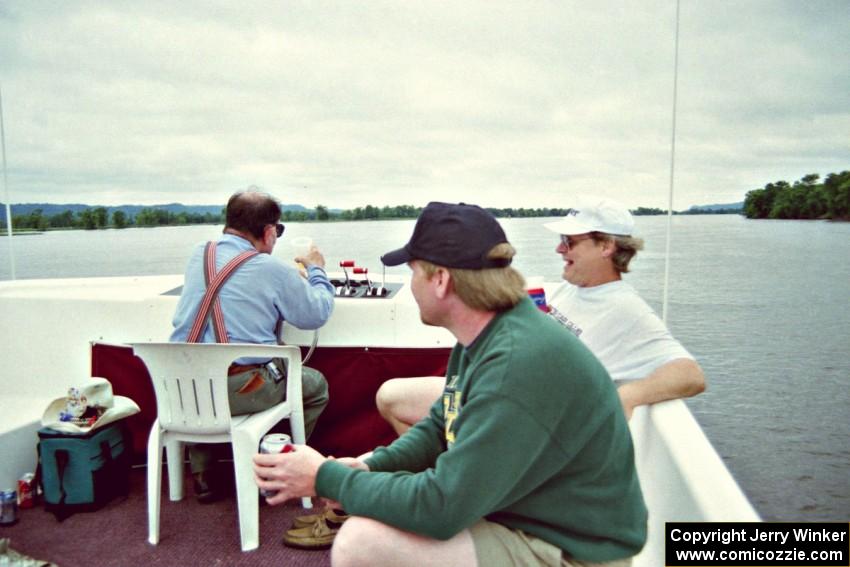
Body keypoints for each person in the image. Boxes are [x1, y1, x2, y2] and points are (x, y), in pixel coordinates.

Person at [254, 202, 647, 567]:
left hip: (575, 551)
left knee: (362, 542)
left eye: (412, 272)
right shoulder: (485, 332)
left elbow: (442, 508)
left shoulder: (517, 361)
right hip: (525, 512)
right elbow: (439, 427)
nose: (410, 285)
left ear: (440, 279)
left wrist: (326, 477)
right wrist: (370, 465)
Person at [377, 197, 705, 435]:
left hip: (526, 412)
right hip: (498, 387)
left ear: (606, 246)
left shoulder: (627, 310)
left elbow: (690, 375)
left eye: (570, 241)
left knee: (395, 400)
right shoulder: (570, 289)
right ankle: (445, 472)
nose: (559, 250)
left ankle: (448, 481)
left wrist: (628, 396)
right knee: (390, 397)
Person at [170, 189, 334, 503]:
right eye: (278, 230)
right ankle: (271, 472)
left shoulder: (198, 254)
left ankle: (204, 474)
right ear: (269, 231)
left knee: (204, 372)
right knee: (315, 386)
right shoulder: (271, 269)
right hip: (242, 388)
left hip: (182, 388)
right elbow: (316, 313)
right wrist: (316, 270)